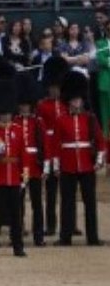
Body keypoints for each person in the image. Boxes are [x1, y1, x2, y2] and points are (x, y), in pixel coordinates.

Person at [54, 71, 105, 246]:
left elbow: (100, 141)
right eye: (74, 100)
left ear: (83, 100)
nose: (76, 102)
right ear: (68, 100)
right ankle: (65, 236)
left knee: (90, 202)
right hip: (68, 165)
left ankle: (93, 237)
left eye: (79, 100)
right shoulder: (61, 120)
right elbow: (56, 145)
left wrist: (99, 160)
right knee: (67, 202)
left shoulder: (90, 118)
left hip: (87, 165)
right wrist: (56, 165)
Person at [0, 79, 28, 258]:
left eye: (8, 113)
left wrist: (24, 175)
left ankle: (18, 247)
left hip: (14, 178)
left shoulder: (18, 130)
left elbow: (23, 155)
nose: (6, 116)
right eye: (3, 114)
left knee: (16, 216)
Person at [14, 71, 48, 247]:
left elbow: (44, 145)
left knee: (36, 203)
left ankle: (38, 235)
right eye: (22, 105)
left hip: (34, 166)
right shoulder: (14, 122)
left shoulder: (38, 122)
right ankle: (18, 233)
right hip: (19, 167)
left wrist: (46, 165)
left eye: (26, 105)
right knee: (18, 203)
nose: (24, 108)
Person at [37, 56, 69, 237]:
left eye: (57, 87)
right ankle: (50, 224)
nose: (55, 90)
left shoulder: (66, 105)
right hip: (49, 151)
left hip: (64, 151)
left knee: (67, 192)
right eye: (53, 87)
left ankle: (69, 224)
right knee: (50, 192)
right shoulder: (42, 105)